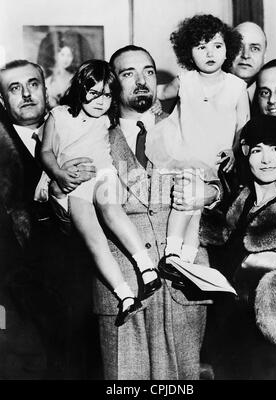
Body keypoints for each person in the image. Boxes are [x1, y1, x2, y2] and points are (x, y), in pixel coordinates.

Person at [56, 44, 219, 380]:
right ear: (112, 84)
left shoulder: (184, 123)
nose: (142, 80)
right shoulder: (88, 132)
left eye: (148, 71)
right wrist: (61, 191)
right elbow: (69, 221)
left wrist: (210, 193)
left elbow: (227, 192)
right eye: (128, 74)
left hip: (184, 288)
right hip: (123, 292)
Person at [41, 59, 161, 327]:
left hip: (104, 173)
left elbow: (149, 102)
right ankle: (125, 295)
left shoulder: (110, 117)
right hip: (76, 184)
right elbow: (46, 151)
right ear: (80, 88)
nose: (100, 100)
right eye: (93, 93)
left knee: (111, 209)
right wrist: (59, 174)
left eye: (107, 94)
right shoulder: (59, 115)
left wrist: (155, 102)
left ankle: (146, 268)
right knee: (93, 238)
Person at [0, 59, 97, 378]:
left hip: (81, 280)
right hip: (21, 289)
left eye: (32, 84)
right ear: (2, 100)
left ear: (46, 88)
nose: (26, 94)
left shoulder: (78, 130)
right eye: (14, 88)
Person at [144, 14, 249, 276]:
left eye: (216, 45)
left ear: (228, 50)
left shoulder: (237, 87)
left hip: (215, 157)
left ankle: (184, 259)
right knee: (187, 202)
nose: (209, 53)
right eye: (201, 47)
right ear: (189, 54)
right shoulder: (185, 81)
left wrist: (235, 151)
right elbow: (158, 92)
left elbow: (243, 127)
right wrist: (155, 103)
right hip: (184, 149)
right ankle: (173, 252)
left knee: (197, 208)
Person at [198, 115, 276, 379]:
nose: (268, 160)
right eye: (258, 150)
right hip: (230, 334)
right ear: (245, 154)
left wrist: (273, 264)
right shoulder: (239, 201)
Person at [37, 30, 94, 108]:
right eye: (62, 54)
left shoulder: (75, 79)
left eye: (69, 55)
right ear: (55, 55)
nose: (66, 59)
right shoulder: (47, 81)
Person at [231, 21, 267, 105]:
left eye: (254, 48)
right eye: (238, 47)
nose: (245, 55)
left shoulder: (272, 97)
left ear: (264, 55)